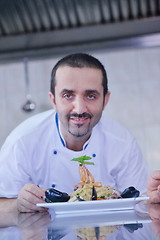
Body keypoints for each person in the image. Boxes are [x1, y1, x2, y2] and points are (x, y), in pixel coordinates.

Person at [0, 53, 158, 213]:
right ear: (53, 100)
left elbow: (140, 207)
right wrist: (17, 205)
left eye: (91, 96)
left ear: (105, 100)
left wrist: (153, 200)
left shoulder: (123, 143)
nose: (80, 109)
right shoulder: (22, 141)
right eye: (68, 96)